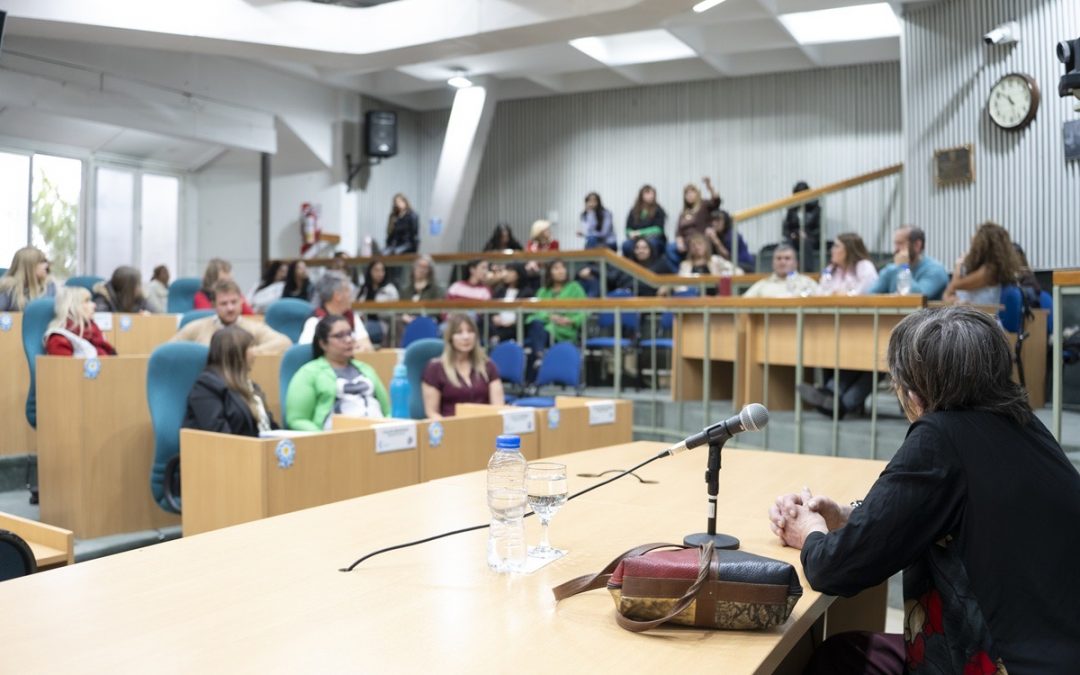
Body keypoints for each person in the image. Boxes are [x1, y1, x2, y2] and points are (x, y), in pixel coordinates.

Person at [768, 306, 1080, 674]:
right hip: (1056, 650)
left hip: (1007, 662)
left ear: (915, 392)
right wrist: (846, 515)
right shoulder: (1023, 424)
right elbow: (943, 510)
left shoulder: (940, 437)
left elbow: (837, 568)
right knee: (845, 652)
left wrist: (810, 531)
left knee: (840, 661)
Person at [799, 234, 879, 418]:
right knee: (833, 352)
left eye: (836, 246)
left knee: (852, 357)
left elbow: (866, 293)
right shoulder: (831, 270)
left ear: (849, 249)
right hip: (836, 325)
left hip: (863, 327)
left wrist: (839, 294)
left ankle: (830, 397)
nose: (832, 251)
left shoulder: (863, 267)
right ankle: (834, 401)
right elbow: (820, 294)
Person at [285, 314, 390, 430]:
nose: (349, 340)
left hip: (378, 437)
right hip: (334, 439)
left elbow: (388, 412)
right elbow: (297, 419)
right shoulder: (308, 373)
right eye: (339, 336)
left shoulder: (366, 369)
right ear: (323, 343)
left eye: (350, 333)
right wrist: (326, 439)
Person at [182, 325, 277, 436]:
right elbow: (219, 435)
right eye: (250, 347)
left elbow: (270, 426)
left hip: (258, 450)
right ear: (235, 353)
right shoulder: (206, 387)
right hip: (225, 451)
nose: (255, 353)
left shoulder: (251, 386)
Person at [171, 279, 291, 356]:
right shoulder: (196, 327)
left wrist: (252, 352)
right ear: (213, 305)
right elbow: (168, 349)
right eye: (224, 303)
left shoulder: (253, 327)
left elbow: (284, 343)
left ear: (241, 302)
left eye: (234, 302)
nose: (230, 308)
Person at [422, 313, 505, 418]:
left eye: (470, 331)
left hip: (484, 427)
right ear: (450, 338)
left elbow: (498, 408)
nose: (466, 337)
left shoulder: (488, 366)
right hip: (450, 428)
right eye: (459, 332)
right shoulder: (435, 368)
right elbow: (431, 413)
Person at [526, 260, 586, 371]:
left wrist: (571, 320)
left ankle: (539, 358)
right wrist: (550, 317)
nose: (561, 271)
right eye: (556, 268)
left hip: (564, 329)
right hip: (545, 328)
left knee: (536, 335)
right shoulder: (543, 291)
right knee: (536, 324)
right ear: (550, 272)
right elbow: (535, 311)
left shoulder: (575, 287)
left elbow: (585, 310)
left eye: (563, 267)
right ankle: (540, 356)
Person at [944, 221, 1019, 306]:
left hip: (984, 316)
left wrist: (958, 265)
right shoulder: (970, 265)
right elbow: (947, 294)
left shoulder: (991, 269)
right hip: (965, 315)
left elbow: (957, 285)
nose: (972, 238)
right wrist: (954, 301)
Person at [297, 272, 373, 351]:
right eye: (347, 290)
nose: (351, 295)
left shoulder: (352, 316)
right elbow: (305, 352)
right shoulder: (314, 321)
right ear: (337, 296)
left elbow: (368, 346)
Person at [870, 227, 949, 300]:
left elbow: (916, 297)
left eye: (900, 243)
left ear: (917, 245)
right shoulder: (891, 269)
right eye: (895, 243)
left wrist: (903, 267)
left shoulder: (935, 270)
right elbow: (869, 295)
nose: (895, 249)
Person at [43, 286, 116, 357]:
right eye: (86, 301)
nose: (94, 305)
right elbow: (64, 368)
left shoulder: (93, 331)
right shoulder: (58, 339)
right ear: (72, 307)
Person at [666, 177, 720, 267]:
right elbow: (679, 231)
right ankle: (679, 272)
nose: (689, 195)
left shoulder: (703, 206)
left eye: (692, 192)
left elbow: (716, 201)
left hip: (700, 240)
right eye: (687, 193)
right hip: (685, 242)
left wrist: (709, 186)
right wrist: (679, 241)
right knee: (670, 248)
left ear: (697, 194)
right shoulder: (683, 212)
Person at [742, 244, 817, 298]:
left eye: (787, 258)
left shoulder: (808, 283)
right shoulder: (761, 285)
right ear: (773, 263)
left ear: (796, 263)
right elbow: (742, 304)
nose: (782, 262)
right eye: (778, 258)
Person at [356, 258, 399, 346]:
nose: (380, 273)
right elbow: (356, 307)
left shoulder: (390, 289)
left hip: (383, 324)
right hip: (363, 322)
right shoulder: (363, 289)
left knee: (363, 330)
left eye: (382, 270)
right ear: (370, 271)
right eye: (376, 270)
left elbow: (394, 311)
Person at [781, 181, 822, 270]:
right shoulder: (792, 209)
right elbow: (786, 228)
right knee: (787, 244)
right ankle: (787, 271)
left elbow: (820, 229)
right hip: (794, 237)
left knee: (804, 243)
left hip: (810, 239)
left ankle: (808, 272)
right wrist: (792, 234)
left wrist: (807, 234)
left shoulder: (816, 209)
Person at [0, 246, 55, 311]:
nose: (46, 265)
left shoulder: (50, 286)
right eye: (42, 262)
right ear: (28, 266)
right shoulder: (8, 287)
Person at [490, 263, 534, 343]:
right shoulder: (500, 290)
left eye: (510, 271)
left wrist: (512, 323)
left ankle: (497, 339)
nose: (506, 273)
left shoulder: (527, 292)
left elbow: (526, 315)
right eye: (506, 270)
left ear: (519, 273)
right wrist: (495, 316)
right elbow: (491, 307)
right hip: (498, 325)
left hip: (515, 327)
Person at [622, 185, 667, 259]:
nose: (651, 196)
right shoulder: (634, 210)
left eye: (652, 194)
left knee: (652, 244)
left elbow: (658, 229)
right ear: (641, 195)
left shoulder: (658, 210)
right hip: (636, 240)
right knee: (626, 245)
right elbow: (628, 228)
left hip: (654, 239)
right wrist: (630, 233)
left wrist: (640, 233)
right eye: (648, 193)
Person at [707, 209, 755, 273]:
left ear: (726, 222)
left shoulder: (732, 235)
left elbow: (728, 257)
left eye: (718, 220)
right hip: (729, 265)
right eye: (712, 220)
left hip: (743, 265)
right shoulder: (715, 234)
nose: (714, 223)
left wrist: (715, 240)